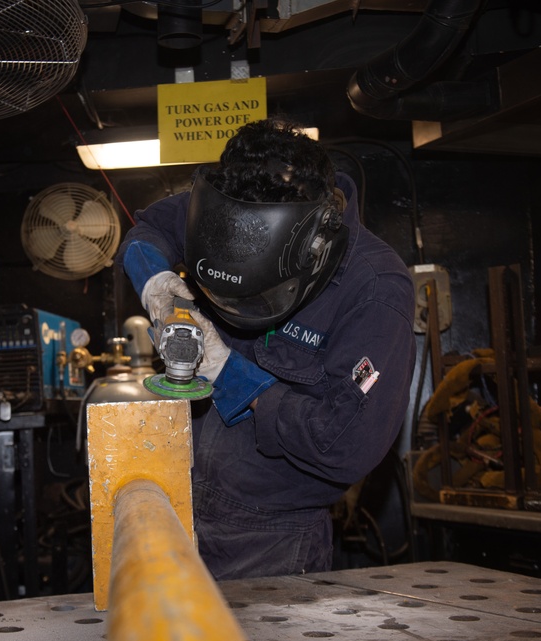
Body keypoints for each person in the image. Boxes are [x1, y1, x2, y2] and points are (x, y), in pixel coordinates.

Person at [117, 117, 416, 580]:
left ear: (315, 241)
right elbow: (148, 230)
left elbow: (348, 444)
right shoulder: (239, 197)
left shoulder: (375, 289)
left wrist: (230, 374)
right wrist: (159, 287)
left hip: (270, 535)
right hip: (176, 497)